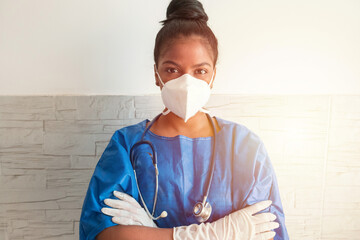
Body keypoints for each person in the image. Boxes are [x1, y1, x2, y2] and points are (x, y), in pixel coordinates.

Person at [79, 0, 289, 239]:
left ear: (213, 76)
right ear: (156, 74)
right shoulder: (127, 145)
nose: (187, 82)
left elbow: (267, 231)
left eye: (200, 71)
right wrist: (202, 235)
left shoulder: (244, 147)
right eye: (172, 70)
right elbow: (102, 233)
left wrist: (150, 234)